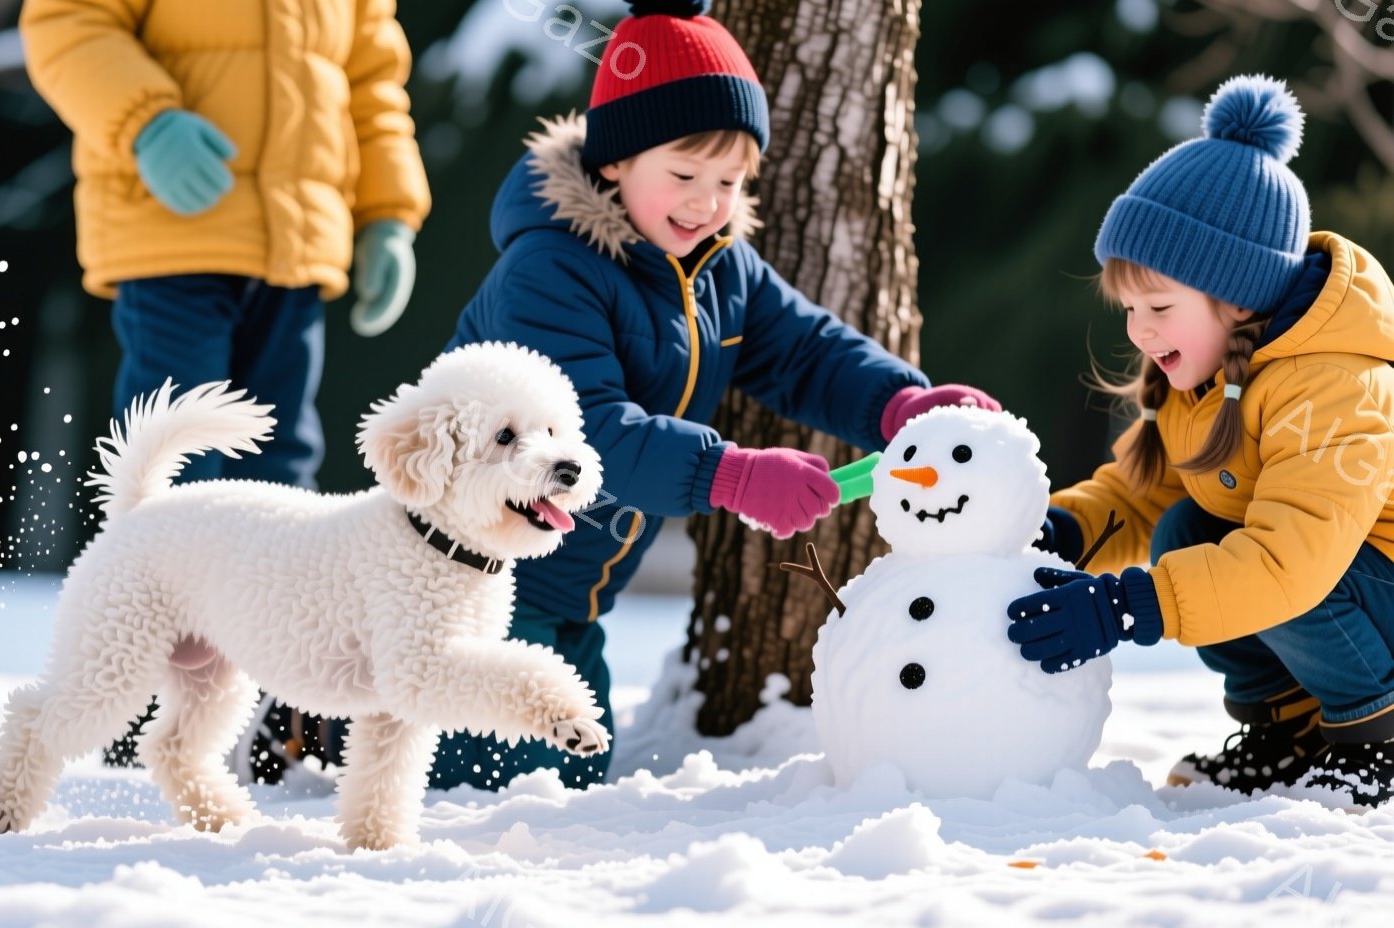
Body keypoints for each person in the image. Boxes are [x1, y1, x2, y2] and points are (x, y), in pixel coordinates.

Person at [417, 0, 997, 789]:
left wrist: (900, 406)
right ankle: (321, 710)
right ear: (616, 162)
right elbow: (585, 437)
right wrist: (732, 474)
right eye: (684, 175)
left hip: (572, 595)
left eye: (729, 180)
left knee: (571, 775)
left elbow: (807, 352)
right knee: (503, 785)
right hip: (465, 580)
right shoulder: (549, 271)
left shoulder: (720, 267)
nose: (706, 201)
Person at [20, 0, 430, 772]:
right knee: (172, 476)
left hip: (297, 243)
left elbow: (373, 78)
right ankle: (129, 694)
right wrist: (148, 121)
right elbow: (66, 23)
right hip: (170, 229)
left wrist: (387, 213)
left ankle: (283, 719)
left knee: (282, 477)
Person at [1011, 75, 1394, 809]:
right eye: (1127, 307)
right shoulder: (1206, 378)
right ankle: (1288, 735)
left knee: (1267, 557)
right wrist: (1058, 531)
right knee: (1188, 524)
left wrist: (1128, 608)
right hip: (1340, 591)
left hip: (1369, 583)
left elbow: (1293, 563)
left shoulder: (1332, 383)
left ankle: (1376, 737)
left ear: (1240, 294)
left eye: (1158, 305)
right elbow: (1139, 493)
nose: (1138, 330)